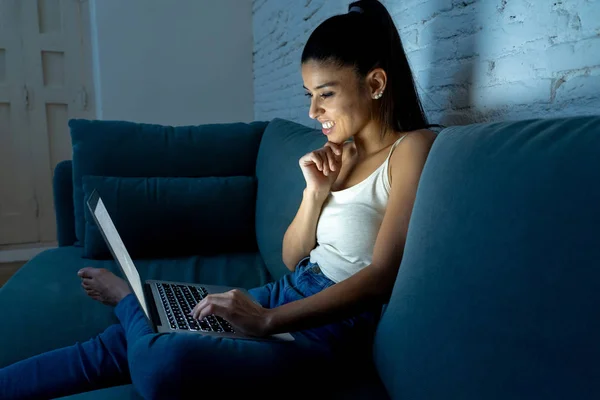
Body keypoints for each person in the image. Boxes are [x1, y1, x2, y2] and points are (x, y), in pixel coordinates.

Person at [0, 0, 439, 398]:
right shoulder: (340, 155)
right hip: (287, 289)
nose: (312, 113)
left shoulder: (410, 149)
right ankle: (139, 316)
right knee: (117, 345)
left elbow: (382, 276)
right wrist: (314, 194)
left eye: (326, 94)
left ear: (376, 83)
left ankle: (129, 303)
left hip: (328, 327)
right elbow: (293, 260)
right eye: (310, 96)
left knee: (164, 363)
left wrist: (267, 321)